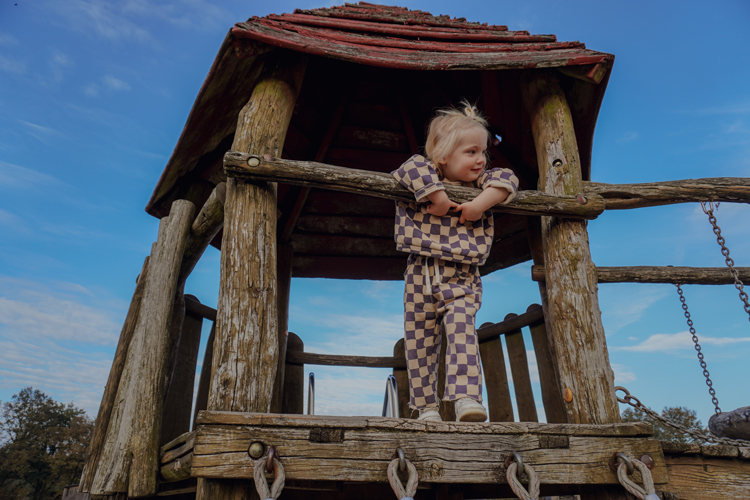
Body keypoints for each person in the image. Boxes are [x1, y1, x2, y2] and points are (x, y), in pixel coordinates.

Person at [391, 101, 519, 422]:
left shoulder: (482, 183)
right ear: (443, 156)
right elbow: (409, 167)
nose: (481, 160)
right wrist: (438, 196)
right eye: (472, 152)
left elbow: (508, 178)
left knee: (462, 330)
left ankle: (466, 398)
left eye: (483, 152)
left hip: (461, 274)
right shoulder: (423, 173)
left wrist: (479, 204)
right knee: (418, 340)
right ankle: (426, 407)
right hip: (419, 272)